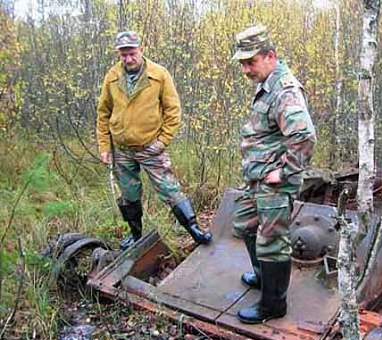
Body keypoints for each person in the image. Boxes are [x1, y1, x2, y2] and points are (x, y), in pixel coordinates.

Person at [232, 25, 316, 324]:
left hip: (274, 183)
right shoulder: (266, 82)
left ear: (270, 56)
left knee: (272, 240)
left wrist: (285, 172)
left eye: (250, 62)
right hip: (257, 178)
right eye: (242, 63)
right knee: (243, 223)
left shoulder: (285, 90)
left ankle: (273, 304)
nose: (245, 69)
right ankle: (262, 277)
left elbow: (304, 136)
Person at [96, 31, 212, 250]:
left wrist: (162, 142)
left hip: (151, 147)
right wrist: (104, 146)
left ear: (141, 49)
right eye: (123, 55)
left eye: (131, 53)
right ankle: (136, 235)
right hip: (121, 149)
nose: (128, 59)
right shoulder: (112, 77)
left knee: (169, 188)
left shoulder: (159, 75)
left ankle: (194, 228)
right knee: (129, 195)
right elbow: (103, 113)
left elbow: (173, 111)